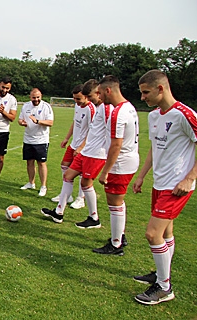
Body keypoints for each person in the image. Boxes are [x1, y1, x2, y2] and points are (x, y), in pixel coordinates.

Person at [132, 70, 196, 305]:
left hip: (177, 186)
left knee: (152, 233)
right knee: (166, 233)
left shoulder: (185, 114)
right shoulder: (154, 116)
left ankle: (164, 287)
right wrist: (141, 176)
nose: (142, 98)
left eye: (145, 92)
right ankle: (161, 275)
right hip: (160, 183)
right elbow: (154, 148)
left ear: (161, 89)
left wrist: (189, 178)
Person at [41, 80, 112, 226]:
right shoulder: (98, 107)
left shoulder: (105, 109)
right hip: (85, 150)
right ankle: (59, 213)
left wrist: (83, 147)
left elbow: (110, 135)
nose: (89, 99)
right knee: (67, 174)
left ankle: (93, 216)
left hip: (95, 153)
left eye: (89, 96)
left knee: (86, 183)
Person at [92, 75, 139, 256]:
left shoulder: (117, 113)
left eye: (100, 92)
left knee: (114, 202)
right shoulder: (129, 107)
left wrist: (106, 171)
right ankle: (120, 235)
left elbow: (116, 144)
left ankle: (116, 244)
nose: (100, 96)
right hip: (130, 159)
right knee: (117, 202)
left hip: (121, 164)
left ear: (108, 90)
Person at [50, 84, 93, 209]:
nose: (76, 101)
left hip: (84, 147)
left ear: (86, 96)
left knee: (80, 172)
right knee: (64, 165)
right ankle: (67, 195)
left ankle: (80, 198)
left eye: (78, 99)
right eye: (74, 98)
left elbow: (92, 131)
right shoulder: (77, 106)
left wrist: (81, 147)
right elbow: (75, 122)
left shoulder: (91, 109)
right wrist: (67, 138)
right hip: (74, 143)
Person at [18, 88, 54, 197]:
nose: (36, 99)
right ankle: (31, 183)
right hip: (28, 138)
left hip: (41, 139)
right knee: (29, 162)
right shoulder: (26, 106)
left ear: (41, 96)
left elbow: (50, 122)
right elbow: (20, 119)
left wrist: (37, 121)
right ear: (30, 97)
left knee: (41, 163)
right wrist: (22, 122)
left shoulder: (46, 107)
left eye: (38, 97)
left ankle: (43, 186)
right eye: (34, 97)